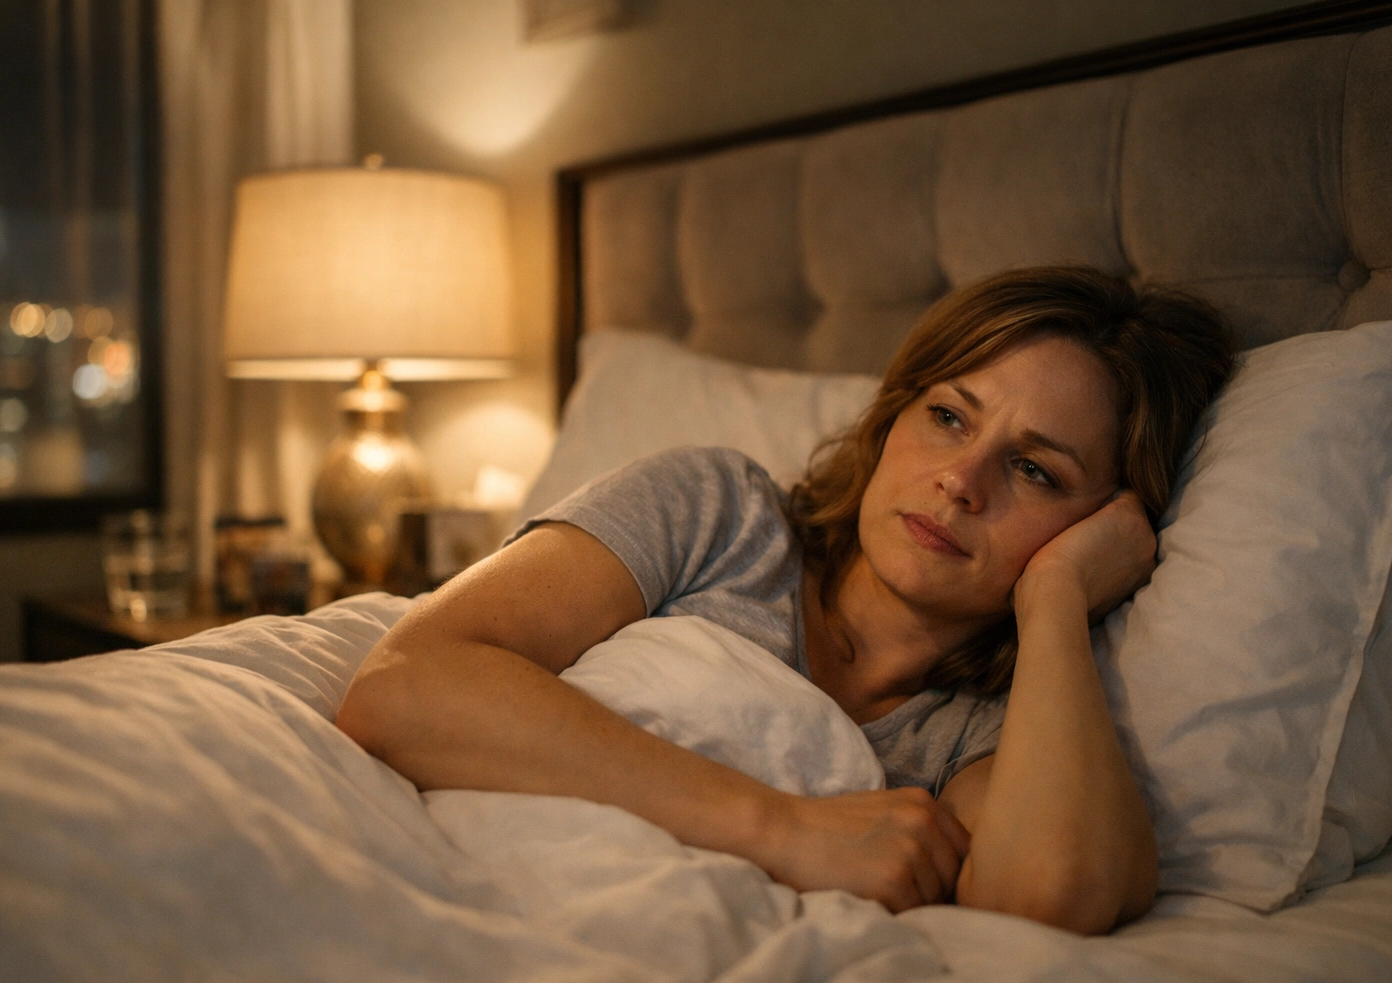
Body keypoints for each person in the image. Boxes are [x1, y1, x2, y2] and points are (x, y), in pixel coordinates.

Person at [335, 266, 1236, 936]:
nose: (962, 481)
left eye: (1035, 470)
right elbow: (404, 683)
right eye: (948, 416)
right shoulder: (718, 516)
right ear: (891, 416)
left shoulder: (977, 732)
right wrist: (783, 828)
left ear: (1100, 522)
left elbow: (1050, 893)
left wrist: (1057, 600)